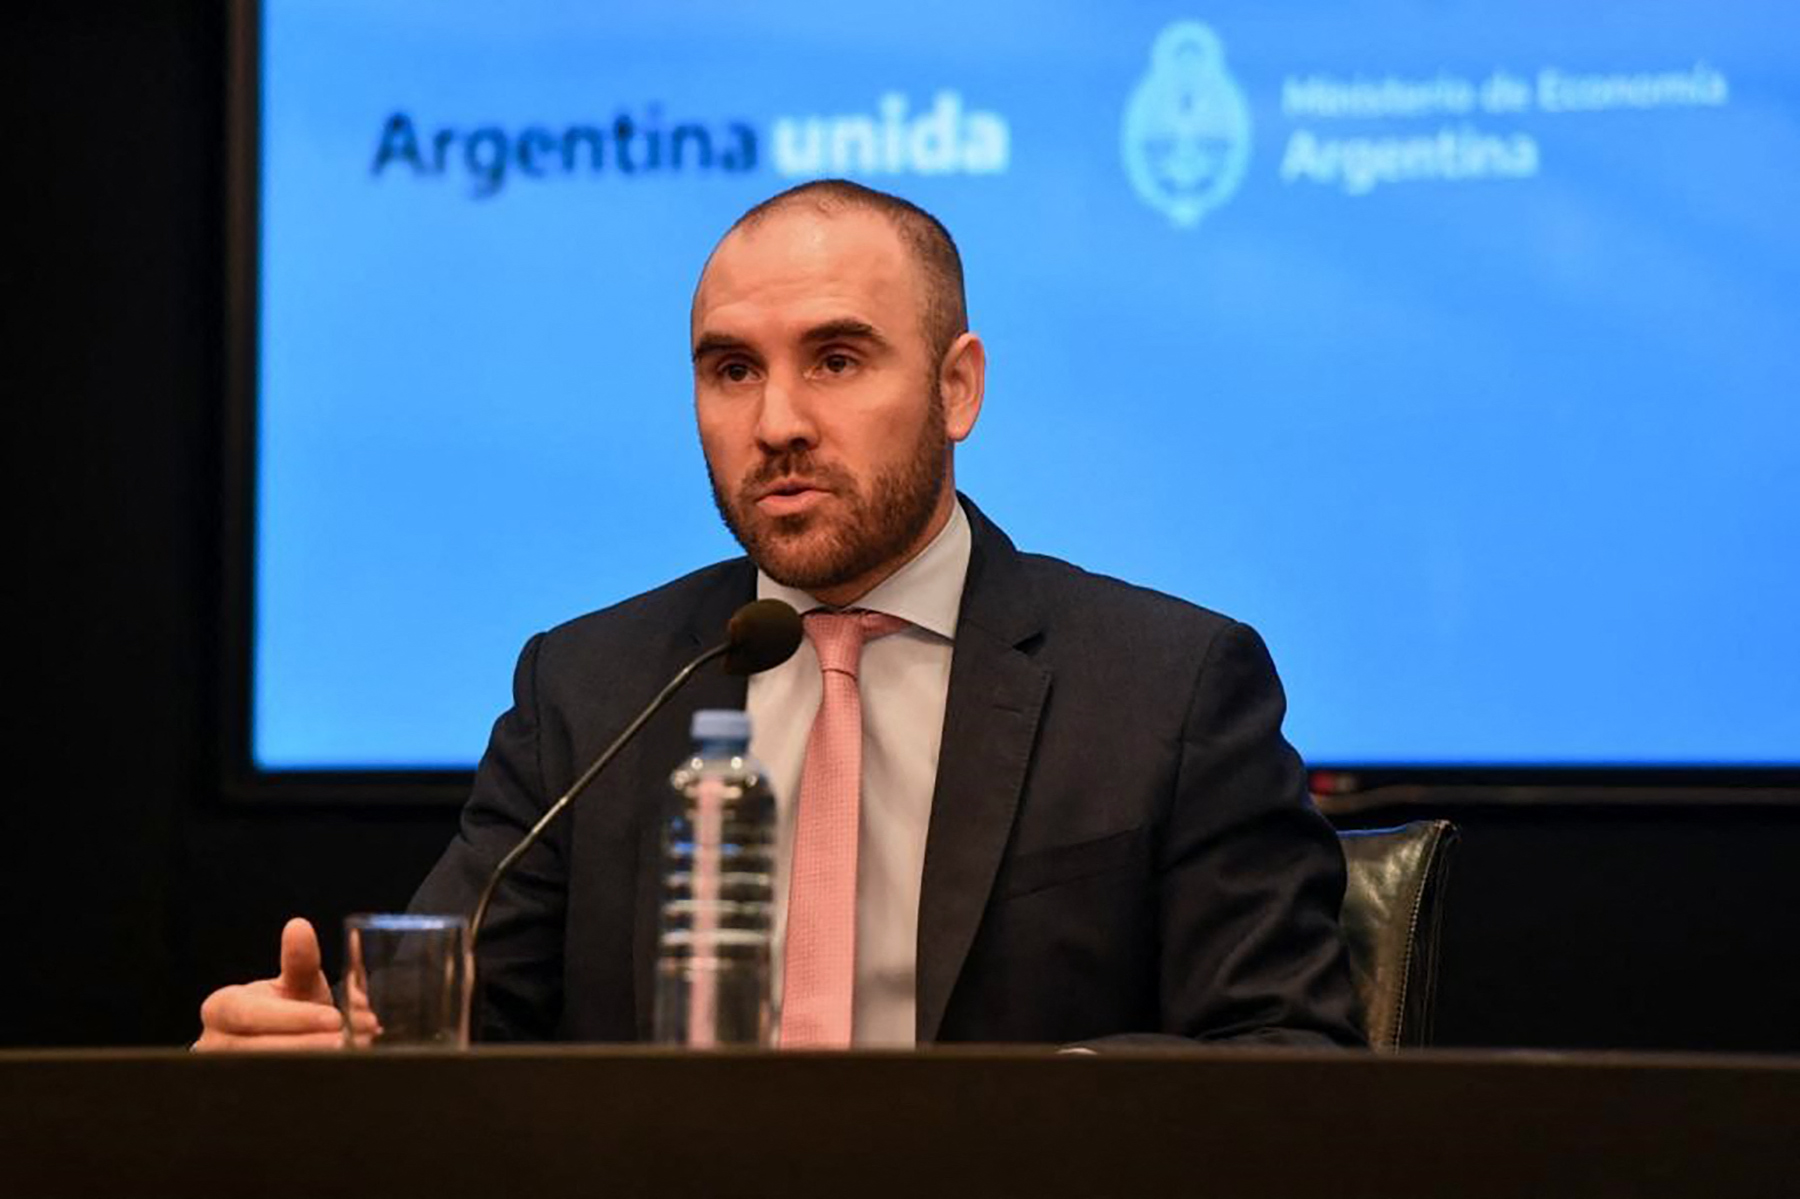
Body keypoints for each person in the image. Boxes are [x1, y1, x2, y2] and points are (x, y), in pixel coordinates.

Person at [196, 179, 1363, 1051]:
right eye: (732, 369)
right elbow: (454, 1030)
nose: (779, 421)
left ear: (958, 386)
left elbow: (1285, 1059)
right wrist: (327, 1050)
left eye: (839, 359)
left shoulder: (1166, 686)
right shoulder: (589, 688)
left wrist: (1011, 1122)